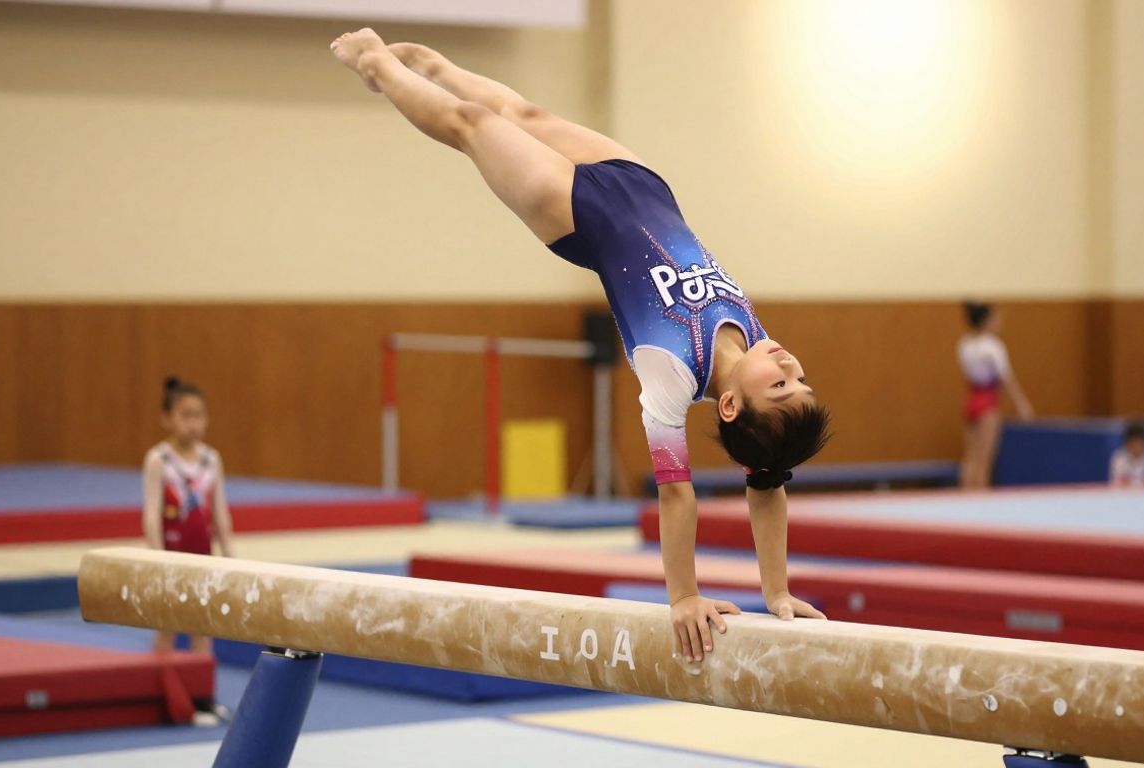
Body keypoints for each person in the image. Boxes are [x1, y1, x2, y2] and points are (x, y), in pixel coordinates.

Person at [329, 29, 831, 662]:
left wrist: (684, 598)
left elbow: (678, 495)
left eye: (781, 385)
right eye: (800, 379)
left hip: (572, 215)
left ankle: (377, 66)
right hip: (645, 188)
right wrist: (776, 588)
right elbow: (769, 478)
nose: (789, 365)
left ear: (729, 406)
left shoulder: (672, 376)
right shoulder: (755, 342)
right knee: (525, 114)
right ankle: (433, 64)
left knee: (473, 123)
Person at [142, 376, 236, 724]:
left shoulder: (212, 460)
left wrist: (230, 557)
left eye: (199, 415)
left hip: (203, 557)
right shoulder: (159, 459)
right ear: (167, 418)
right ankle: (155, 693)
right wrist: (156, 558)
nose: (193, 423)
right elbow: (151, 515)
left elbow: (220, 513)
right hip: (171, 557)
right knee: (167, 626)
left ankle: (202, 697)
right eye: (184, 415)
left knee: (203, 627)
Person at [957, 301, 1033, 488]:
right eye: (996, 318)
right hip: (987, 402)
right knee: (984, 460)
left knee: (970, 458)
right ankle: (979, 503)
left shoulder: (965, 344)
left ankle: (964, 498)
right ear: (986, 321)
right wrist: (1022, 404)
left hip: (972, 399)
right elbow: (1006, 378)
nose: (999, 321)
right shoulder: (992, 346)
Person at [1110, 420, 1144, 487]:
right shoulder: (1119, 459)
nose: (1137, 447)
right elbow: (1116, 484)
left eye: (1140, 443)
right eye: (1134, 443)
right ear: (1127, 443)